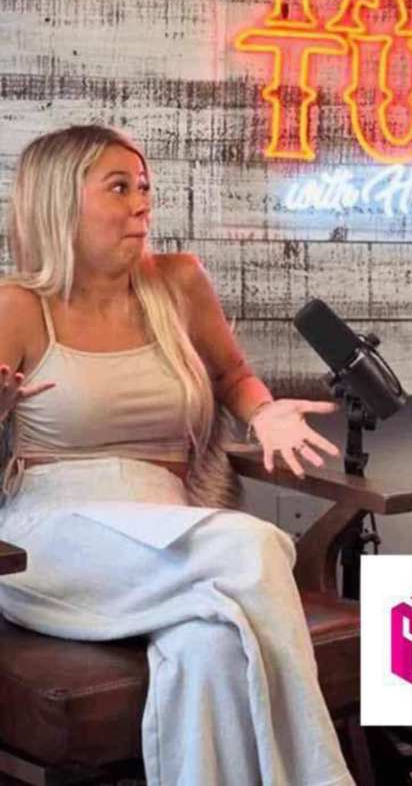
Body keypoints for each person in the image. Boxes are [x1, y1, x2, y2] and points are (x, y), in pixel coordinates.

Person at [0, 125, 356, 786]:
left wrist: (263, 411)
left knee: (212, 647)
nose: (142, 202)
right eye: (118, 187)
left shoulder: (178, 282)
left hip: (168, 526)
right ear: (60, 201)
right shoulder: (17, 306)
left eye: (143, 186)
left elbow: (231, 374)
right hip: (50, 540)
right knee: (253, 544)